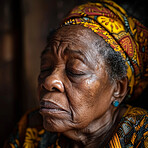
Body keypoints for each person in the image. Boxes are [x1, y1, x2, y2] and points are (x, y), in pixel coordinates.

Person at [4, 0, 148, 147]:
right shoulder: (31, 129)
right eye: (45, 67)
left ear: (118, 89)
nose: (49, 81)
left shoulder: (142, 136)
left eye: (75, 71)